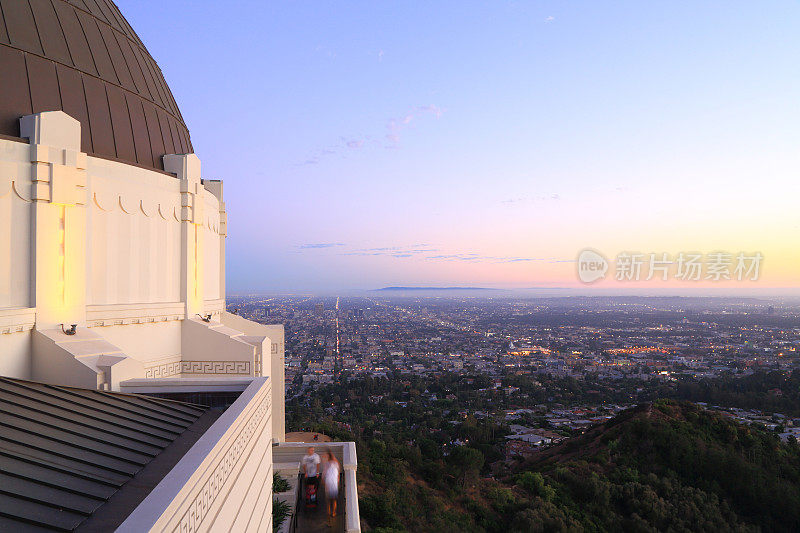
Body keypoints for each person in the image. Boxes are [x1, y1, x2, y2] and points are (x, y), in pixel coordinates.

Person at [322, 450, 340, 527]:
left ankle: (329, 519)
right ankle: (334, 512)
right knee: (334, 500)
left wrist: (323, 483)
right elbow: (338, 476)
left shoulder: (326, 465)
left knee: (328, 503)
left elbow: (323, 476)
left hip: (328, 485)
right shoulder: (336, 464)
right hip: (334, 484)